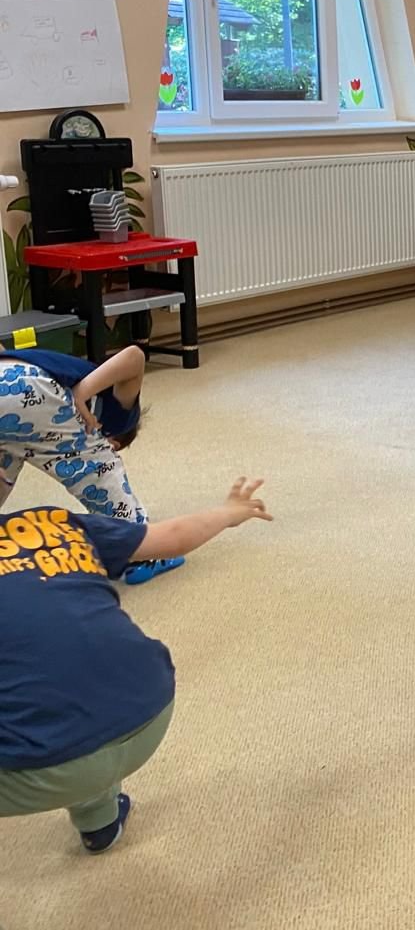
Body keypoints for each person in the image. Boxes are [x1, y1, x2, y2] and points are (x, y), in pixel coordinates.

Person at [0, 478, 271, 853]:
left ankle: (88, 796)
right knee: (65, 682)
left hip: (42, 765)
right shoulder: (54, 522)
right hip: (149, 710)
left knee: (44, 700)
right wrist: (228, 513)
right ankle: (99, 821)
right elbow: (172, 537)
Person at [0, 345, 178, 585]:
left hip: (10, 384)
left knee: (8, 460)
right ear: (115, 441)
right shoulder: (122, 416)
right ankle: (141, 553)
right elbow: (135, 356)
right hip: (34, 390)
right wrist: (81, 394)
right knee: (101, 470)